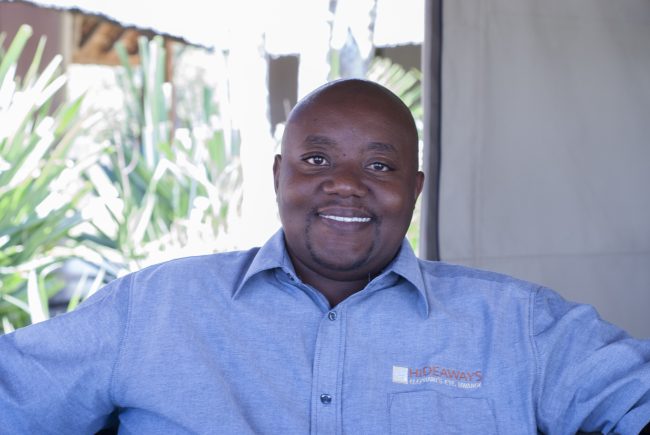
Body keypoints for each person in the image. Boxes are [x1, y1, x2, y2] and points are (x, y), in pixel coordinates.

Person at [1, 79, 649, 434]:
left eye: (379, 165)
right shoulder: (153, 308)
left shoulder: (516, 324)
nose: (345, 183)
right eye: (316, 159)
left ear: (414, 188)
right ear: (278, 176)